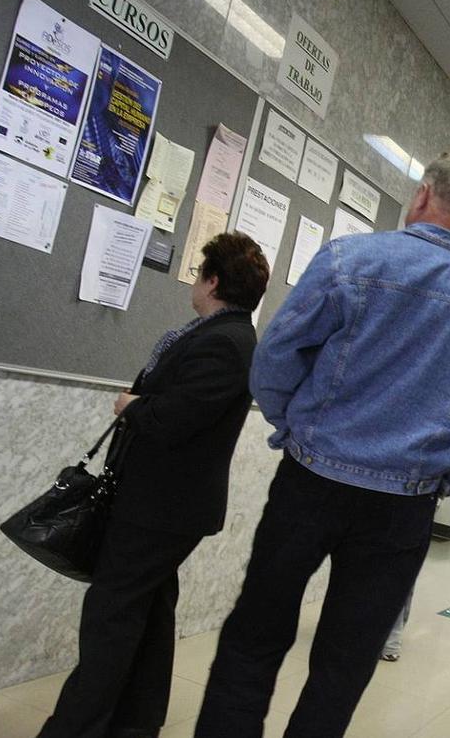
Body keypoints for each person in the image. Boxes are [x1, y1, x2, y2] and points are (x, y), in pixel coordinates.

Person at [194, 150, 450, 738]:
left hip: (311, 481)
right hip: (402, 508)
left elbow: (274, 358)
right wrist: (437, 480)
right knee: (344, 663)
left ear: (423, 196)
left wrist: (295, 427)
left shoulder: (352, 259)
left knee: (257, 632)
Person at [38, 233, 269, 738]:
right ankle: (135, 724)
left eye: (198, 273)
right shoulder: (222, 335)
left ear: (213, 281)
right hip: (165, 507)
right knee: (148, 616)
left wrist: (131, 406)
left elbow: (174, 419)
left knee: (111, 618)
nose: (193, 282)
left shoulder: (225, 343)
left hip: (160, 509)